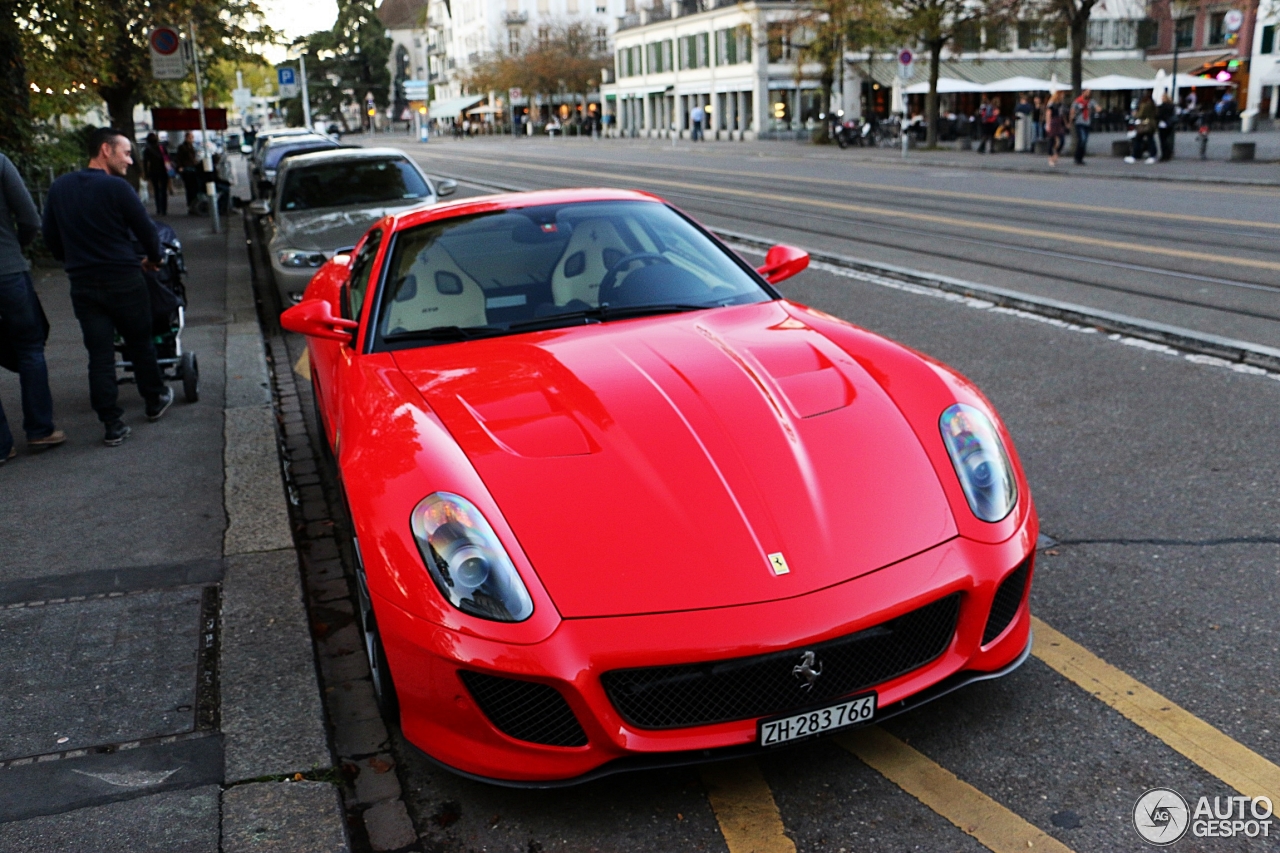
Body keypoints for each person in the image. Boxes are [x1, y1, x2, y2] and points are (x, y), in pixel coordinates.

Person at [42, 127, 173, 447]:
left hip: (84, 284)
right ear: (105, 150)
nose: (130, 160)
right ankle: (154, 399)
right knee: (140, 343)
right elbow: (147, 232)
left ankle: (111, 422)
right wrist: (153, 259)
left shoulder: (60, 188)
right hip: (124, 279)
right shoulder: (118, 188)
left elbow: (50, 237)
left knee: (99, 354)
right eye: (126, 152)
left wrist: (70, 259)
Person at [0, 152, 65, 464]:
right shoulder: (0, 162)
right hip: (8, 271)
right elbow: (29, 218)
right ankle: (40, 429)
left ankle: (1, 445)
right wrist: (15, 246)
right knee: (29, 348)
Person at [142, 133, 171, 216]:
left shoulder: (147, 150)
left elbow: (145, 163)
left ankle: (158, 208)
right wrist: (169, 171)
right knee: (163, 190)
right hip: (163, 171)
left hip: (153, 171)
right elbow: (167, 159)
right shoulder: (162, 147)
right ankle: (164, 209)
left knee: (156, 190)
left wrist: (146, 173)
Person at [1126, 94, 1158, 164]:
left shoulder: (1145, 105)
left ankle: (1136, 155)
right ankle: (1152, 155)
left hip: (1144, 124)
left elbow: (1140, 114)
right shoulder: (1153, 104)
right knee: (1150, 140)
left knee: (1139, 140)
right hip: (1151, 124)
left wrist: (1135, 114)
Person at [174, 131, 200, 214]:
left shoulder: (191, 146)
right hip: (187, 169)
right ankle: (191, 205)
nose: (192, 139)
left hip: (192, 168)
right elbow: (178, 158)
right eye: (190, 138)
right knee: (190, 188)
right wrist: (180, 167)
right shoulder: (182, 147)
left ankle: (193, 204)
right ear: (186, 138)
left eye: (192, 138)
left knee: (194, 188)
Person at [1070, 88, 1096, 165]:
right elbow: (1072, 111)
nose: (1088, 94)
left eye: (1089, 92)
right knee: (1082, 139)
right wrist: (1071, 120)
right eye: (1087, 92)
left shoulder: (1090, 101)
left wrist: (1096, 108)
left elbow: (1097, 108)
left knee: (1084, 141)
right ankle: (1077, 157)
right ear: (1083, 92)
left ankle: (1080, 158)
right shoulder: (1077, 101)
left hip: (1087, 123)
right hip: (1079, 123)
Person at [1045, 91, 1066, 167]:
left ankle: (1056, 154)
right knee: (1051, 140)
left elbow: (1062, 114)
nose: (1063, 96)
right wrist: (1048, 124)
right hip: (1053, 121)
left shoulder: (1061, 104)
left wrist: (1065, 123)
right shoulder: (1052, 104)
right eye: (1062, 95)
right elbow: (1048, 113)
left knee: (1062, 140)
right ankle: (1050, 157)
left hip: (1059, 122)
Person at [1156, 93, 1176, 161]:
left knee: (1163, 140)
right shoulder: (1172, 106)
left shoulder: (1162, 106)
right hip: (1169, 124)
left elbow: (1159, 115)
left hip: (1162, 124)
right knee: (1167, 140)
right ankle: (1168, 153)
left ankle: (1164, 155)